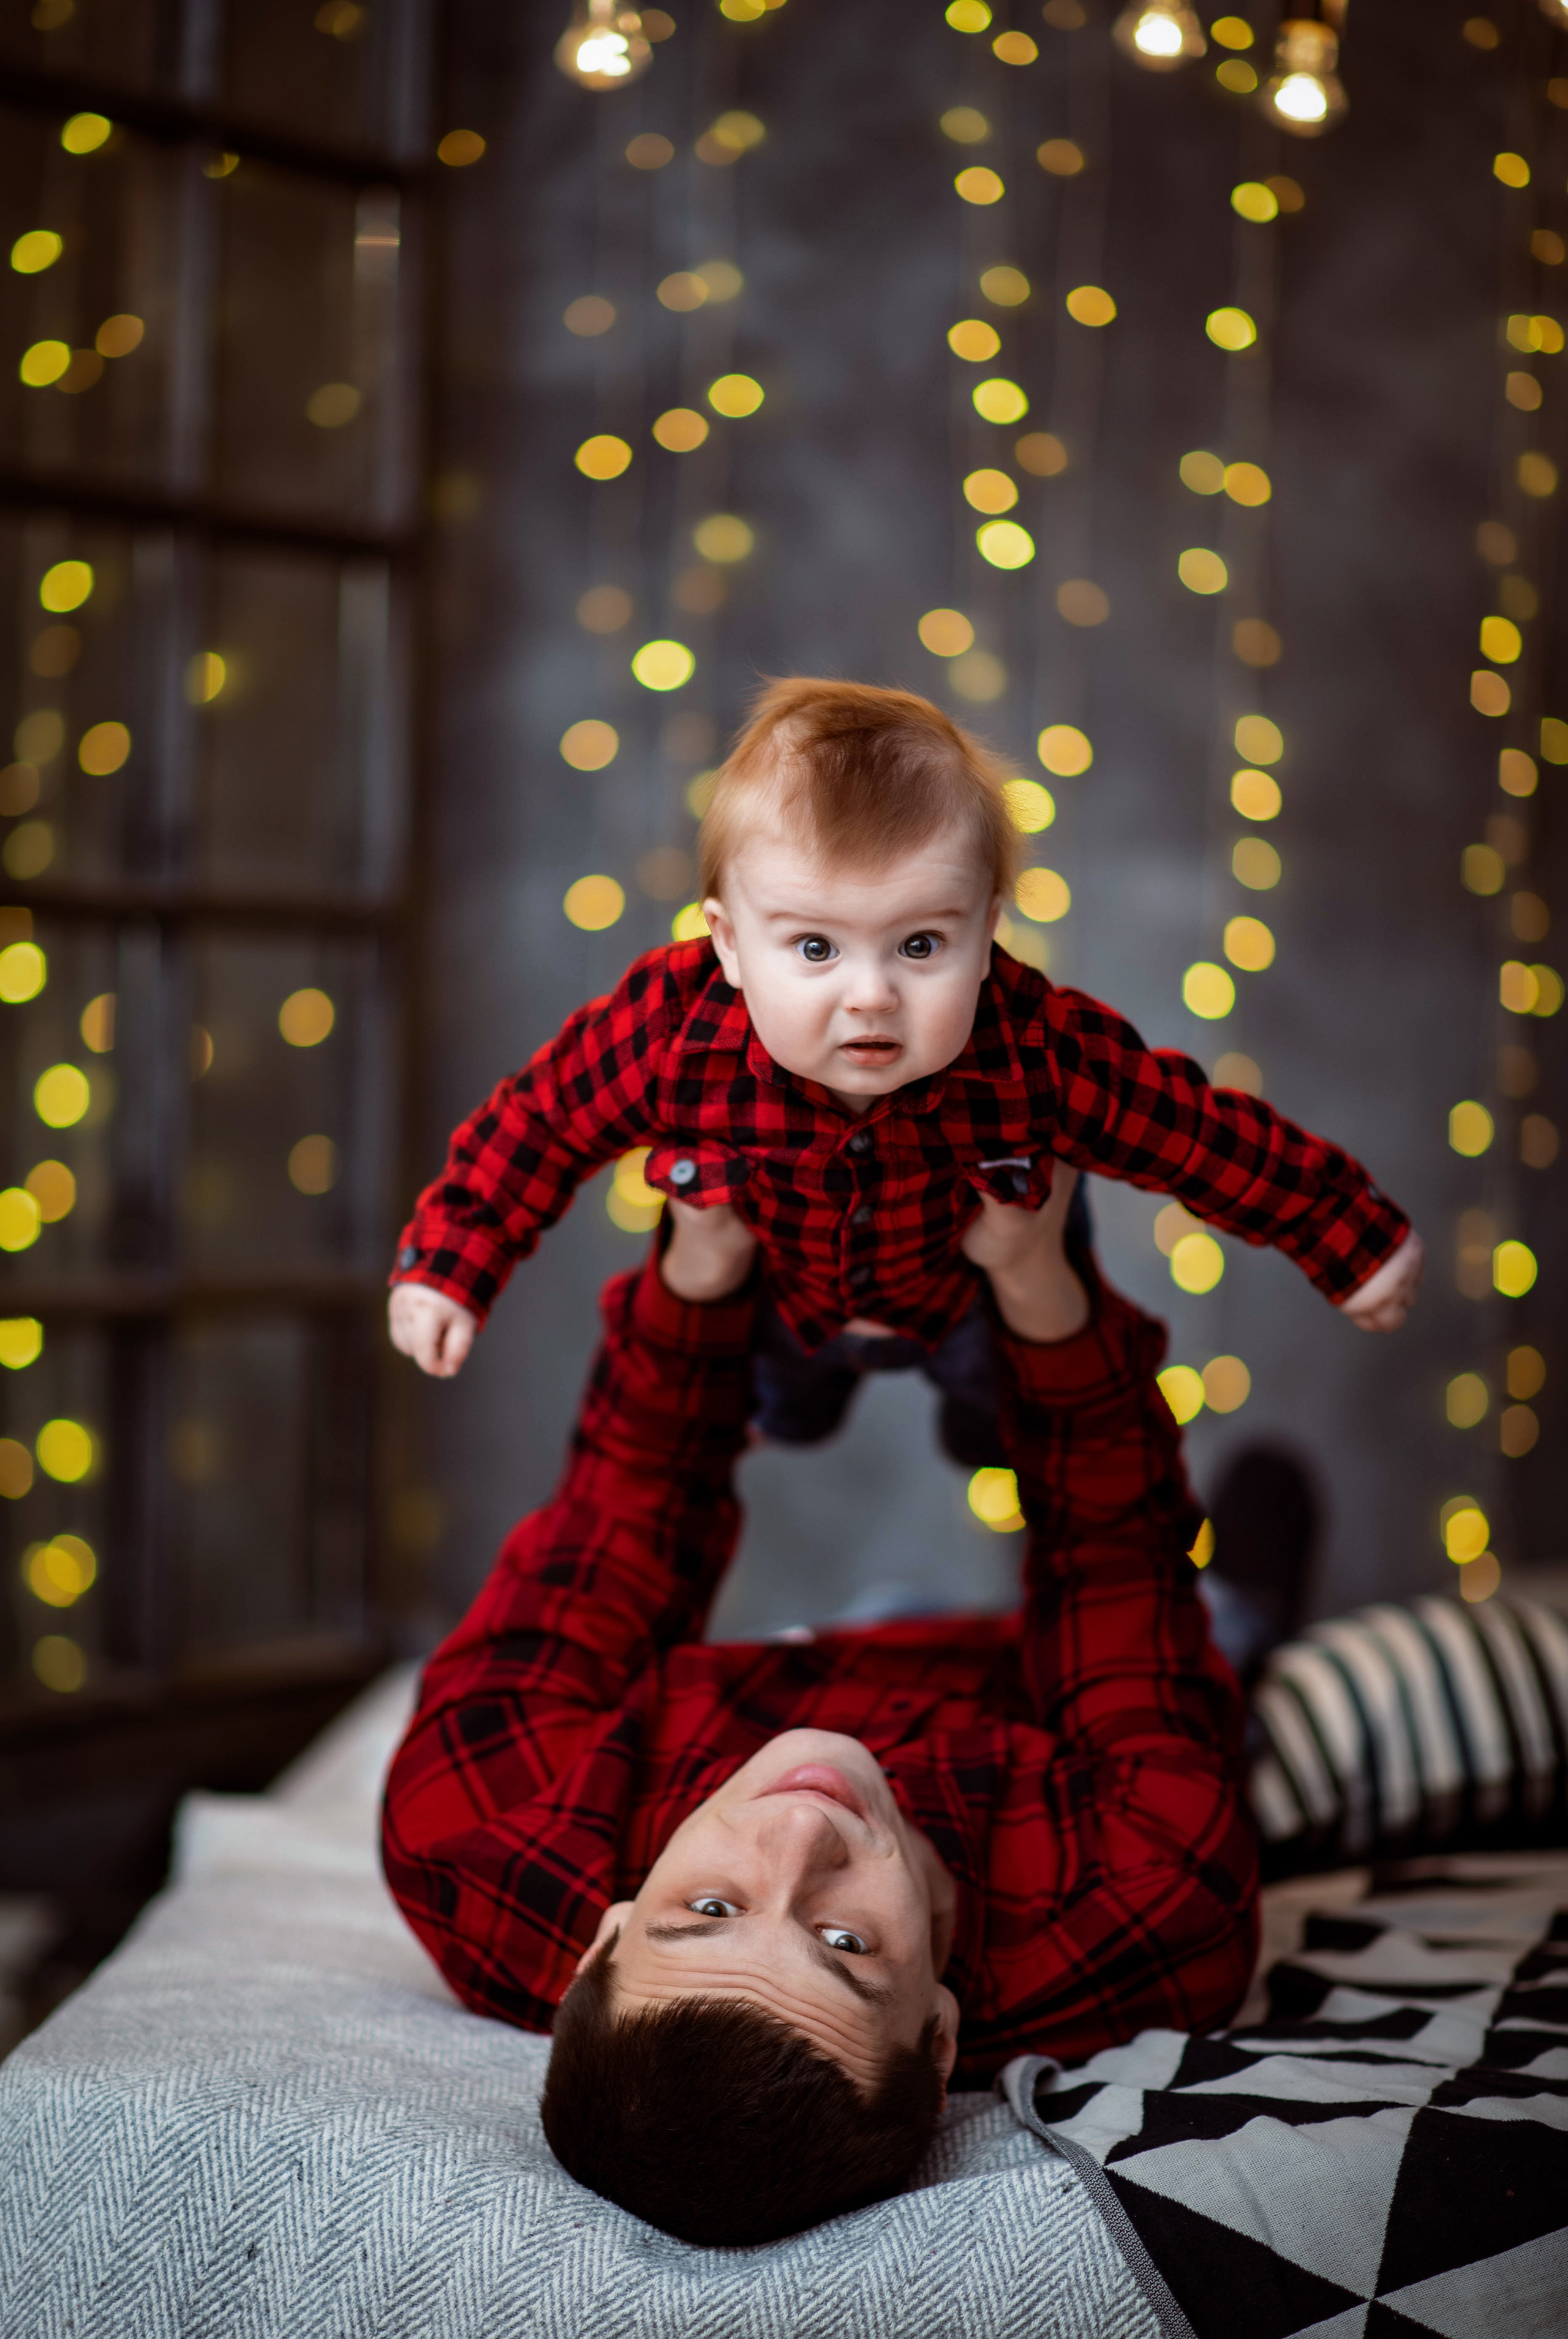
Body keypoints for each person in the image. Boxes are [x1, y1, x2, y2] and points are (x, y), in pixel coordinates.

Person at [381, 1170, 1259, 2246]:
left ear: (600, 1943)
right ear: (938, 2043)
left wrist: (700, 1265)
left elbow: (622, 1518)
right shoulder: (1157, 1894)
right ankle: (1253, 1613)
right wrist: (1040, 1283)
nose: (804, 1828)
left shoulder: (474, 1833)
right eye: (845, 1940)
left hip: (803, 1662)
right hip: (1029, 1689)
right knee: (1227, 1667)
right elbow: (1114, 1565)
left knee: (886, 1603)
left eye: (707, 1909)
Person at [386, 681, 1423, 1440]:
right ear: (729, 944)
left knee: (1014, 1414)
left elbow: (1195, 1134)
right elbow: (539, 1123)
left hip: (966, 1299)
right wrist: (452, 1263)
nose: (872, 993)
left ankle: (989, 1428)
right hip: (783, 1297)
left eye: (921, 945)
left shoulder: (1035, 1045)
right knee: (768, 1408)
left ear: (988, 933)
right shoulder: (673, 1027)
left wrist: (1345, 1233)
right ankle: (788, 1408)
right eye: (815, 947)